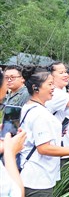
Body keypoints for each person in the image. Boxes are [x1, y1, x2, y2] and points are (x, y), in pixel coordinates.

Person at [19, 66, 69, 196]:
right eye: (50, 84)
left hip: (32, 174)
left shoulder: (30, 107)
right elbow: (44, 148)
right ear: (35, 88)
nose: (53, 89)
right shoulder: (40, 114)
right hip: (37, 179)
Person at [0, 69, 27, 197]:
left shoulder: (25, 94)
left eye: (12, 77)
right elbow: (15, 193)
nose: (8, 80)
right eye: (6, 78)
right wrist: (9, 152)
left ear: (22, 78)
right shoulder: (10, 94)